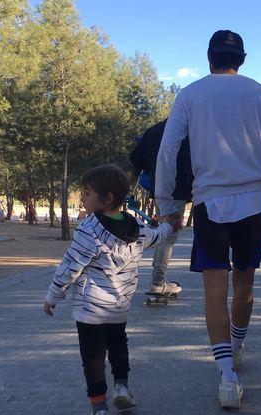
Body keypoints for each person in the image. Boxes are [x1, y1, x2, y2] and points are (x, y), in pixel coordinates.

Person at [155, 29, 261, 409]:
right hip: (254, 206)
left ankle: (226, 376)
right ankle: (236, 349)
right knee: (244, 284)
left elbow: (168, 149)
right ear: (241, 59)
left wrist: (166, 204)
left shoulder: (189, 95)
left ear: (210, 58)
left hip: (210, 205)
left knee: (213, 291)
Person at [43, 164, 173, 415]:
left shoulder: (89, 229)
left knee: (92, 358)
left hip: (90, 309)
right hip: (119, 307)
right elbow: (158, 236)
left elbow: (70, 266)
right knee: (118, 346)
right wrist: (169, 225)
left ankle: (99, 406)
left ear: (107, 198)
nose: (82, 198)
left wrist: (52, 296)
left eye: (87, 193)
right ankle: (122, 387)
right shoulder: (137, 230)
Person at [130, 119, 193, 296]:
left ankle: (157, 279)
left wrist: (150, 169)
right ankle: (158, 282)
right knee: (169, 236)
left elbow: (135, 157)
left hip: (158, 187)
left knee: (164, 232)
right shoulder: (187, 132)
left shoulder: (153, 130)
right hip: (177, 189)